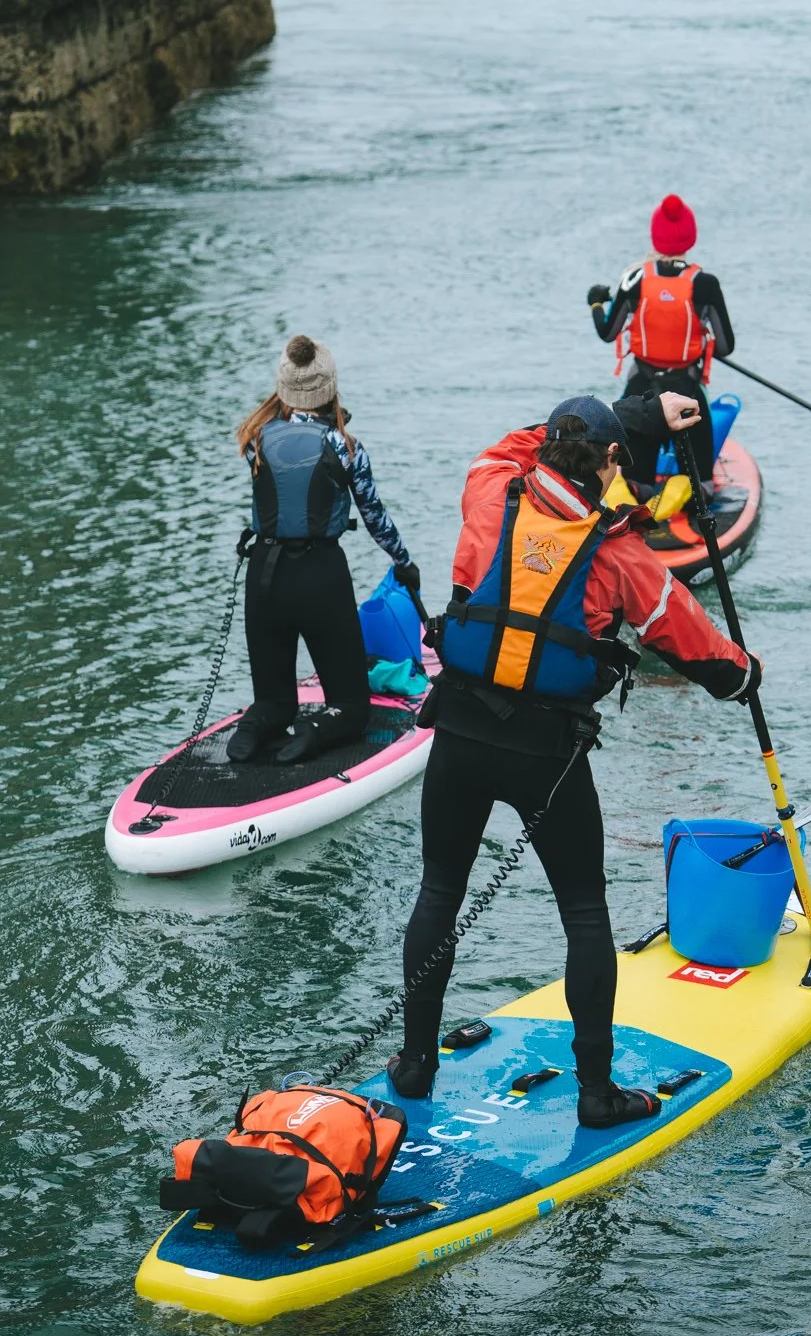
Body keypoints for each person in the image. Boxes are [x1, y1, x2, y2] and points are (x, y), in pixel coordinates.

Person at [389, 393, 760, 1130]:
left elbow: (508, 442)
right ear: (611, 463)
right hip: (546, 755)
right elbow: (704, 656)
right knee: (584, 913)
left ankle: (416, 1064)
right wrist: (745, 673)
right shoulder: (621, 555)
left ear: (545, 447)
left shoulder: (490, 489)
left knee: (439, 892)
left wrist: (633, 412)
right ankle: (596, 1095)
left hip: (459, 737)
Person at [229, 335, 420, 767]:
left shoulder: (255, 439)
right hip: (320, 578)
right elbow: (375, 518)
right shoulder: (346, 447)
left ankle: (258, 724)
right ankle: (316, 730)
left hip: (264, 579)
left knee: (276, 702)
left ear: (283, 387)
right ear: (330, 387)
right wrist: (404, 564)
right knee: (353, 707)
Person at [588, 194, 735, 490]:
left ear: (655, 238)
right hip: (686, 396)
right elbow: (725, 347)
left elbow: (608, 333)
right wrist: (699, 337)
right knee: (700, 485)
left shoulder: (633, 278)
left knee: (634, 486)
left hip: (640, 396)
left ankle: (635, 518)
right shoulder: (705, 284)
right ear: (690, 239)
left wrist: (595, 303)